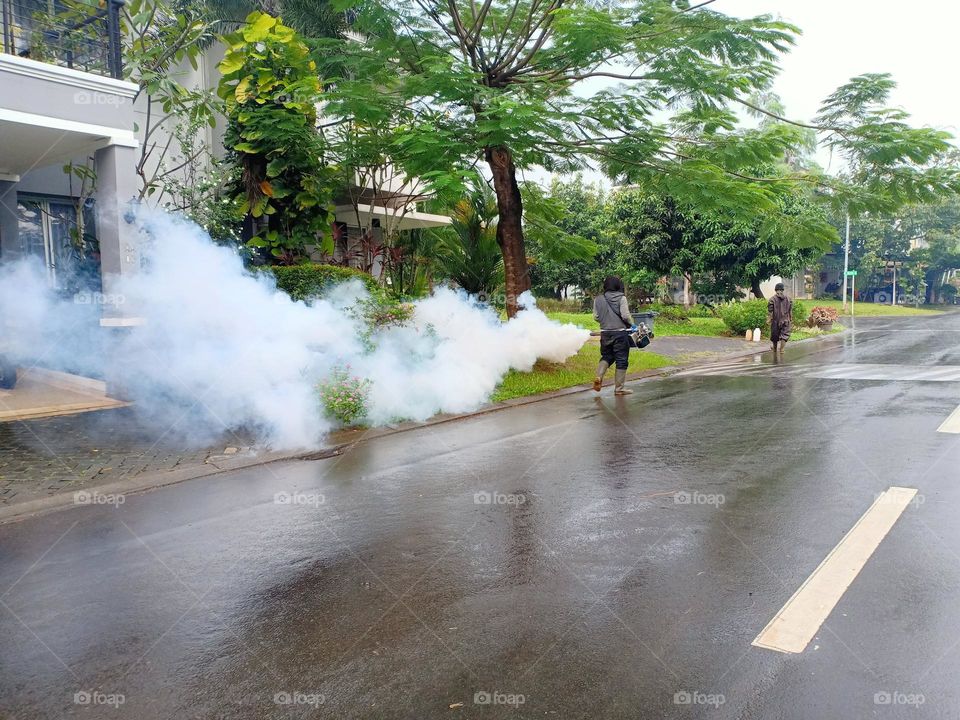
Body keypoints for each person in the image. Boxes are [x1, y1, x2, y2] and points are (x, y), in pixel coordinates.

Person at [593, 276, 636, 395]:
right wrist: (632, 324)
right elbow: (625, 316)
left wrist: (605, 321)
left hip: (605, 333)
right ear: (617, 285)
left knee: (607, 356)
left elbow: (596, 317)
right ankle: (619, 389)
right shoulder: (621, 298)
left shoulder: (598, 299)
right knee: (621, 360)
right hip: (620, 333)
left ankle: (599, 376)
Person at [767, 282, 793, 354]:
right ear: (783, 290)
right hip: (786, 320)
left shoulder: (772, 299)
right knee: (785, 335)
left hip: (776, 320)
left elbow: (770, 311)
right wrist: (790, 318)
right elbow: (790, 310)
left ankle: (775, 349)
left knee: (774, 335)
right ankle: (782, 349)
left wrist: (769, 319)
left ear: (775, 290)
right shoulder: (789, 299)